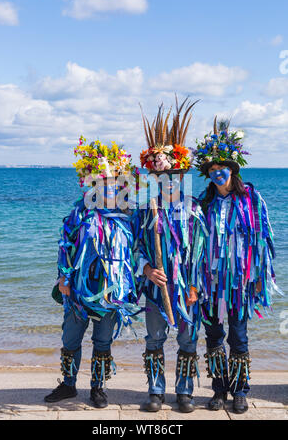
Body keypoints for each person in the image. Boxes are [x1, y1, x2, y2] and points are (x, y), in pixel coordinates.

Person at [44, 138, 142, 408]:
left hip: (112, 291)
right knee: (71, 337)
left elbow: (137, 251)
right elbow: (66, 245)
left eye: (113, 183)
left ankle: (98, 388)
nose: (107, 187)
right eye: (101, 182)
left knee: (102, 340)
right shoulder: (80, 212)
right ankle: (68, 384)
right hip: (78, 288)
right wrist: (63, 276)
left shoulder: (129, 216)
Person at [194, 118, 282, 414]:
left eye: (223, 169)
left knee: (239, 336)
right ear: (208, 175)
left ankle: (241, 390)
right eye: (213, 171)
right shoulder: (203, 204)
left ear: (233, 170)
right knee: (214, 337)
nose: (218, 174)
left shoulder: (251, 200)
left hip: (240, 283)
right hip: (210, 283)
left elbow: (262, 239)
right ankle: (219, 389)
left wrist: (259, 276)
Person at [135, 99, 208, 413]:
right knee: (154, 339)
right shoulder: (144, 208)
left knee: (188, 341)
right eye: (163, 176)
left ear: (181, 176)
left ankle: (185, 392)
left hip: (188, 288)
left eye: (175, 175)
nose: (169, 181)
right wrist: (148, 269)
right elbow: (134, 248)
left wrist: (196, 286)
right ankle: (155, 391)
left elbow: (204, 254)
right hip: (156, 286)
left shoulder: (194, 209)